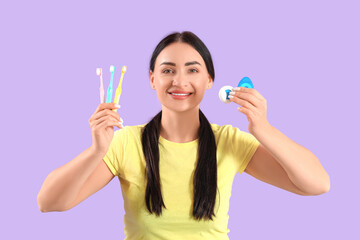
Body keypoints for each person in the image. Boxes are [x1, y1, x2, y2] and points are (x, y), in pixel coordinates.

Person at [37, 31, 330, 240]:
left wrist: (263, 129)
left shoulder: (228, 141)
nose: (180, 81)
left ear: (209, 81)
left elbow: (317, 184)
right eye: (168, 70)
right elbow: (49, 202)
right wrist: (96, 151)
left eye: (192, 70)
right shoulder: (125, 142)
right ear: (152, 79)